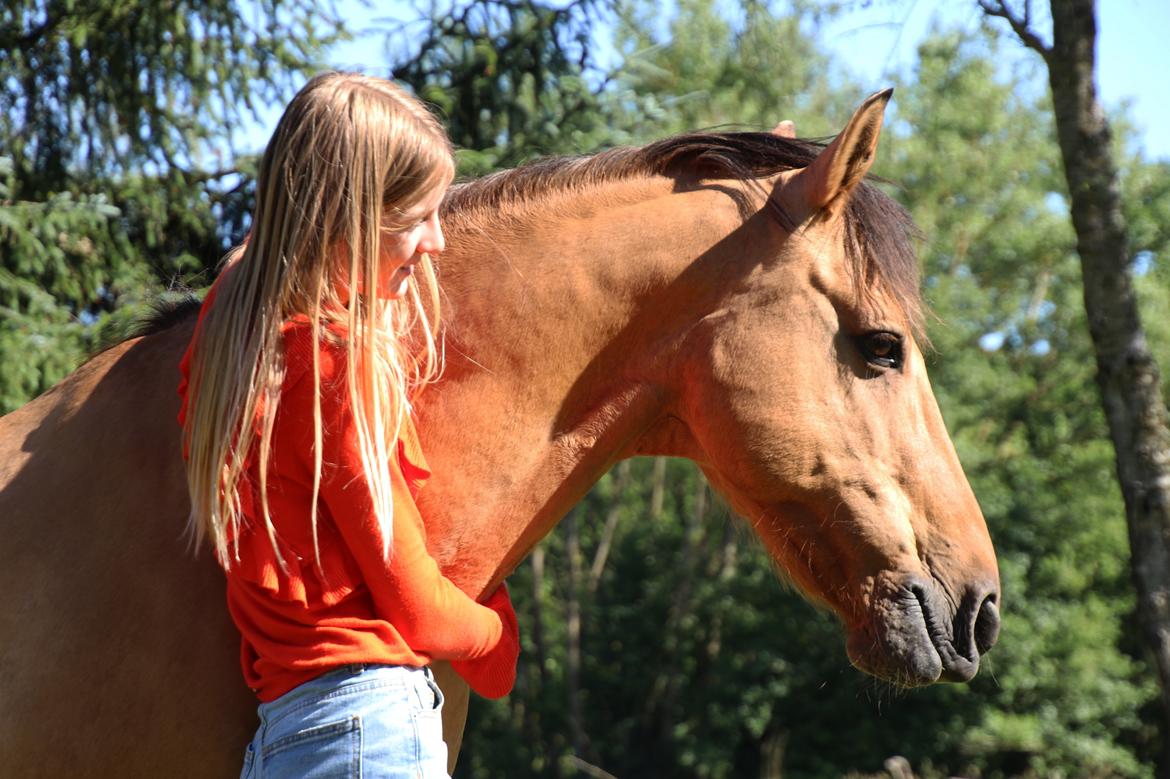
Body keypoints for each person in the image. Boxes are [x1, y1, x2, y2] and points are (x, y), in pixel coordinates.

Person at [177, 72, 519, 778]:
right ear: (345, 216)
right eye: (415, 216)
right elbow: (419, 610)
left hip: (284, 736)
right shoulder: (339, 367)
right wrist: (495, 633)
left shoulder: (228, 340)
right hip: (371, 729)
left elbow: (258, 261)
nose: (437, 242)